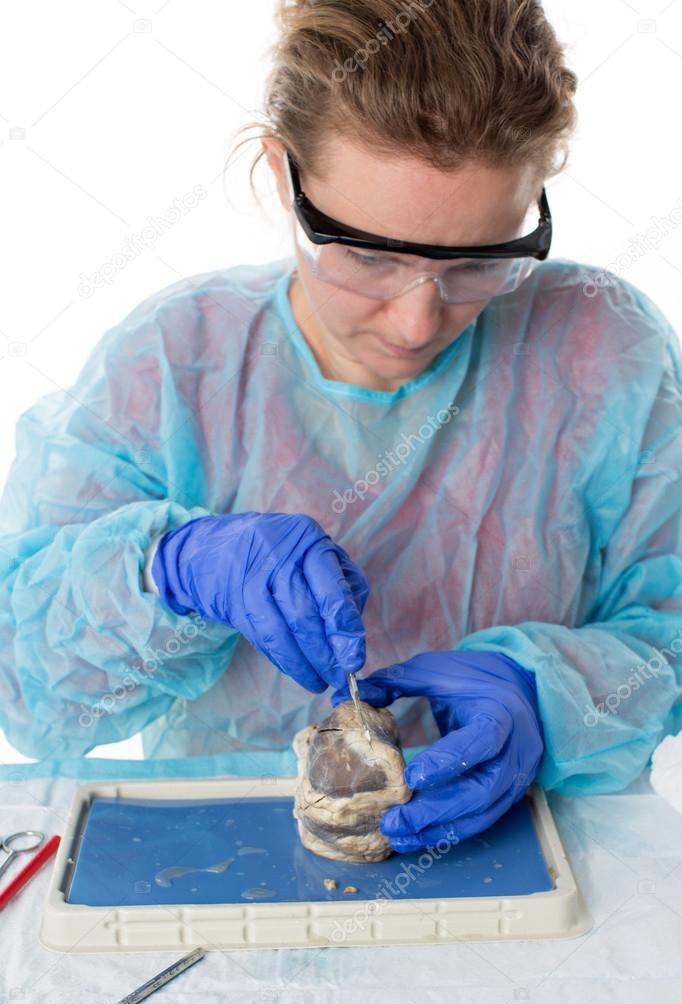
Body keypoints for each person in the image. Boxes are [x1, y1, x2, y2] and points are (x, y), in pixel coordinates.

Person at [1, 0, 681, 854]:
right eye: (369, 256)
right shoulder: (173, 364)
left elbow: (671, 630)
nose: (415, 322)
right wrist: (167, 573)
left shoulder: (601, 348)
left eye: (478, 262)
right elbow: (28, 693)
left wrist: (546, 696)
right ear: (284, 177)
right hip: (234, 866)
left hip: (537, 862)